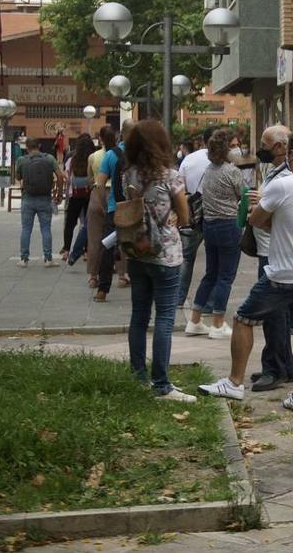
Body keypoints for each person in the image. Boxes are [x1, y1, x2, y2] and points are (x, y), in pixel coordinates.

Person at [199, 130, 293, 411]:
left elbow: (254, 219)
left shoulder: (283, 185)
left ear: (291, 153)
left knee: (243, 319)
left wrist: (260, 209)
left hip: (281, 272)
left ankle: (234, 382)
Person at [120, 120, 196, 403]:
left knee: (139, 315)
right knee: (164, 317)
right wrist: (175, 216)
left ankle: (138, 376)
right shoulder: (170, 176)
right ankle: (161, 385)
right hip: (165, 254)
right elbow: (185, 217)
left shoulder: (128, 175)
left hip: (137, 252)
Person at [246, 125, 293, 392]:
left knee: (271, 314)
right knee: (279, 315)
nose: (261, 148)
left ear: (279, 147)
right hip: (268, 249)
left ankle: (274, 368)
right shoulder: (274, 170)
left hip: (273, 253)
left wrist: (261, 202)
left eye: (265, 144)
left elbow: (282, 210)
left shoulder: (286, 175)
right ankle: (284, 366)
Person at [188, 129, 248, 339]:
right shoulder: (232, 171)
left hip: (209, 226)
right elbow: (244, 195)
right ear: (224, 149)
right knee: (225, 277)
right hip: (228, 226)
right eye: (232, 145)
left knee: (210, 274)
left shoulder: (209, 170)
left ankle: (195, 320)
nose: (236, 149)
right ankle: (218, 324)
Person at [94, 120, 136, 300]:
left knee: (108, 247)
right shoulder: (142, 154)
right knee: (138, 246)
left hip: (116, 208)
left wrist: (105, 204)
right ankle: (139, 285)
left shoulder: (111, 155)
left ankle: (102, 289)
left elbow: (100, 183)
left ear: (122, 134)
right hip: (136, 209)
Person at [177, 126, 215, 309]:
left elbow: (180, 188)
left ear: (203, 139)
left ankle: (178, 298)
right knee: (214, 260)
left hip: (191, 213)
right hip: (215, 215)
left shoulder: (189, 159)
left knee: (186, 258)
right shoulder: (223, 161)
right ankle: (208, 302)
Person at [15, 137, 62, 268]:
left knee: (26, 229)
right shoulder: (49, 159)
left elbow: (18, 177)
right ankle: (48, 259)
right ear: (39, 146)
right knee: (46, 229)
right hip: (45, 199)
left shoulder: (22, 160)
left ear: (27, 147)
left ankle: (24, 259)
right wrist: (59, 193)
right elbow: (60, 176)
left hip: (27, 199)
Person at [85, 126, 117, 290]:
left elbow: (90, 180)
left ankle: (93, 276)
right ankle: (123, 274)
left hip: (97, 195)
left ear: (101, 139)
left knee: (94, 239)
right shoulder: (119, 155)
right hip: (116, 197)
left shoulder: (93, 157)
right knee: (120, 237)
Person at [60, 134, 95, 262]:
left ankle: (66, 250)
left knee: (70, 223)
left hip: (74, 194)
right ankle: (86, 251)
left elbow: (68, 177)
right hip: (89, 194)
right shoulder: (93, 158)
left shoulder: (72, 159)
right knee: (87, 224)